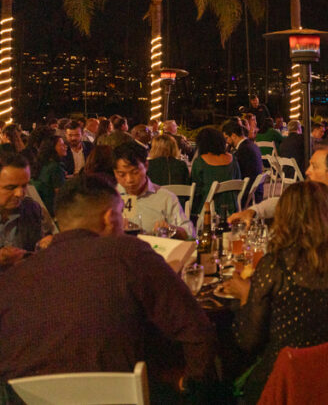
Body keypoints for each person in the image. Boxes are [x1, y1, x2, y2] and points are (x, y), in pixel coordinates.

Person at [0, 176, 215, 391]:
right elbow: (196, 329)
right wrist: (189, 383)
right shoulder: (130, 255)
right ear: (110, 218)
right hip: (119, 396)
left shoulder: (13, 278)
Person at [227, 180, 328, 404]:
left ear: (286, 218)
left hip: (284, 386)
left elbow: (247, 340)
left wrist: (245, 296)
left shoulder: (276, 266)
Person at [233, 147, 328, 225]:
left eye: (314, 166)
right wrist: (253, 211)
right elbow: (283, 202)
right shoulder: (316, 193)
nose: (307, 171)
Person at [112, 142, 194, 239]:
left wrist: (171, 230)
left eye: (135, 172)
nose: (129, 180)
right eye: (122, 174)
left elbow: (190, 233)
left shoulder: (165, 197)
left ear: (146, 166)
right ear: (114, 172)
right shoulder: (111, 196)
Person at [0, 154, 53, 269]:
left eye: (24, 186)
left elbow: (37, 255)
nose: (19, 194)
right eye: (10, 187)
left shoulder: (31, 209)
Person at [188, 126, 241, 218]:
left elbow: (196, 189)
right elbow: (239, 181)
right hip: (232, 208)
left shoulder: (200, 162)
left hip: (209, 209)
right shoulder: (232, 159)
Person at [32, 136, 67, 215]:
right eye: (61, 145)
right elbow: (60, 193)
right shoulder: (56, 167)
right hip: (51, 209)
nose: (65, 147)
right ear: (52, 149)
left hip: (39, 206)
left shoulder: (40, 164)